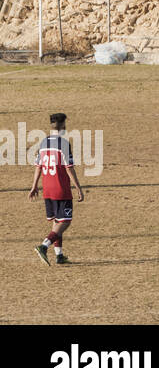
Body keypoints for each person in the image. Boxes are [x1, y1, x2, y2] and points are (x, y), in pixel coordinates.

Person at [29, 112, 85, 266]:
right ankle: (44, 246)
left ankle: (59, 255)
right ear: (63, 126)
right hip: (61, 188)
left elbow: (38, 166)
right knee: (65, 221)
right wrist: (78, 188)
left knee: (57, 222)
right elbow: (69, 168)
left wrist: (34, 186)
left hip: (47, 188)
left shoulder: (43, 142)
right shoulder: (64, 144)